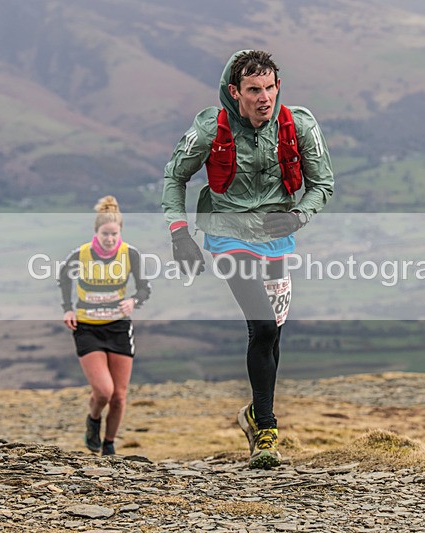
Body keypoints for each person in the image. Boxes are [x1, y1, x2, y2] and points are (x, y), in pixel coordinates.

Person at [161, 50, 334, 468]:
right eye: (254, 89)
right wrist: (179, 233)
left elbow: (322, 183)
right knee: (260, 323)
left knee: (272, 334)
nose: (264, 97)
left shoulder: (300, 125)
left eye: (270, 88)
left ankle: (253, 415)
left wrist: (298, 217)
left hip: (276, 240)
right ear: (235, 91)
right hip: (226, 234)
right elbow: (175, 176)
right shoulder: (210, 127)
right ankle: (269, 429)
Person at [58, 195, 151, 456]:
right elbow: (63, 278)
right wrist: (67, 308)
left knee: (119, 396)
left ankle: (109, 445)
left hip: (119, 328)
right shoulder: (81, 254)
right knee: (103, 391)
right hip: (88, 327)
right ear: (95, 232)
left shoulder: (130, 254)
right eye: (105, 234)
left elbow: (145, 288)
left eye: (114, 234)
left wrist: (134, 301)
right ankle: (93, 419)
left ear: (120, 232)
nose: (109, 239)